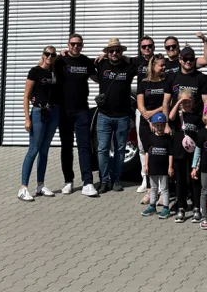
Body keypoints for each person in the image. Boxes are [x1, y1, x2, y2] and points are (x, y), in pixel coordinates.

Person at [91, 38, 139, 193]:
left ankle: (116, 180)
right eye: (111, 51)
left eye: (117, 51)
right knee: (103, 149)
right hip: (104, 115)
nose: (114, 53)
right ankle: (104, 181)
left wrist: (126, 58)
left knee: (120, 150)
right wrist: (64, 52)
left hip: (123, 116)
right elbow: (80, 62)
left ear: (121, 52)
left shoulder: (129, 66)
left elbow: (143, 63)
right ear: (107, 52)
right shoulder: (100, 64)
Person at [18, 46, 61, 201]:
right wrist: (27, 119)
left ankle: (40, 185)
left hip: (53, 113)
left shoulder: (56, 71)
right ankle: (23, 188)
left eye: (53, 54)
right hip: (38, 113)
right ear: (43, 55)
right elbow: (26, 96)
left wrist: (61, 53)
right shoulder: (35, 71)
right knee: (33, 150)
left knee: (44, 150)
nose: (50, 56)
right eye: (47, 54)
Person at [58, 34, 98, 197]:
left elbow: (98, 77)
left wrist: (103, 60)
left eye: (79, 44)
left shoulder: (86, 61)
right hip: (64, 111)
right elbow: (44, 71)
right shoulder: (60, 61)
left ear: (82, 45)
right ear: (68, 45)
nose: (76, 46)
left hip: (82, 110)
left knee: (84, 147)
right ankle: (68, 181)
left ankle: (87, 182)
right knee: (66, 147)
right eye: (73, 44)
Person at [137, 54, 169, 204]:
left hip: (160, 122)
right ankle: (150, 190)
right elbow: (140, 103)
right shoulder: (144, 83)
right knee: (149, 154)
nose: (163, 68)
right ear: (153, 66)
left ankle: (164, 192)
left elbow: (166, 104)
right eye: (161, 65)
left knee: (161, 156)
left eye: (164, 65)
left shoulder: (166, 82)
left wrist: (154, 115)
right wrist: (147, 117)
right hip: (146, 122)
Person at [168, 88, 201, 221]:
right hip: (179, 153)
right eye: (185, 101)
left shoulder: (196, 118)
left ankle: (196, 206)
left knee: (194, 180)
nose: (188, 103)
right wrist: (179, 102)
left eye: (190, 101)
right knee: (180, 180)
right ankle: (181, 206)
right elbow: (170, 117)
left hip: (192, 154)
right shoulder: (177, 117)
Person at [163, 47, 207, 117]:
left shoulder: (202, 78)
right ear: (180, 60)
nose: (188, 62)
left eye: (191, 59)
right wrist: (166, 124)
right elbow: (166, 103)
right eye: (185, 59)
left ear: (194, 60)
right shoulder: (172, 77)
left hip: (196, 121)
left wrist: (205, 119)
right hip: (176, 122)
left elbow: (206, 102)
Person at [140, 111, 171, 219]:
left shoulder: (167, 139)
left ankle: (166, 208)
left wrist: (170, 167)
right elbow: (147, 152)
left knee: (164, 188)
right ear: (153, 125)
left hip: (163, 168)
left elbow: (170, 154)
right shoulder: (150, 138)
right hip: (152, 168)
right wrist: (146, 166)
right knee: (153, 187)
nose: (159, 127)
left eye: (162, 125)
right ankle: (152, 206)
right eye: (157, 125)